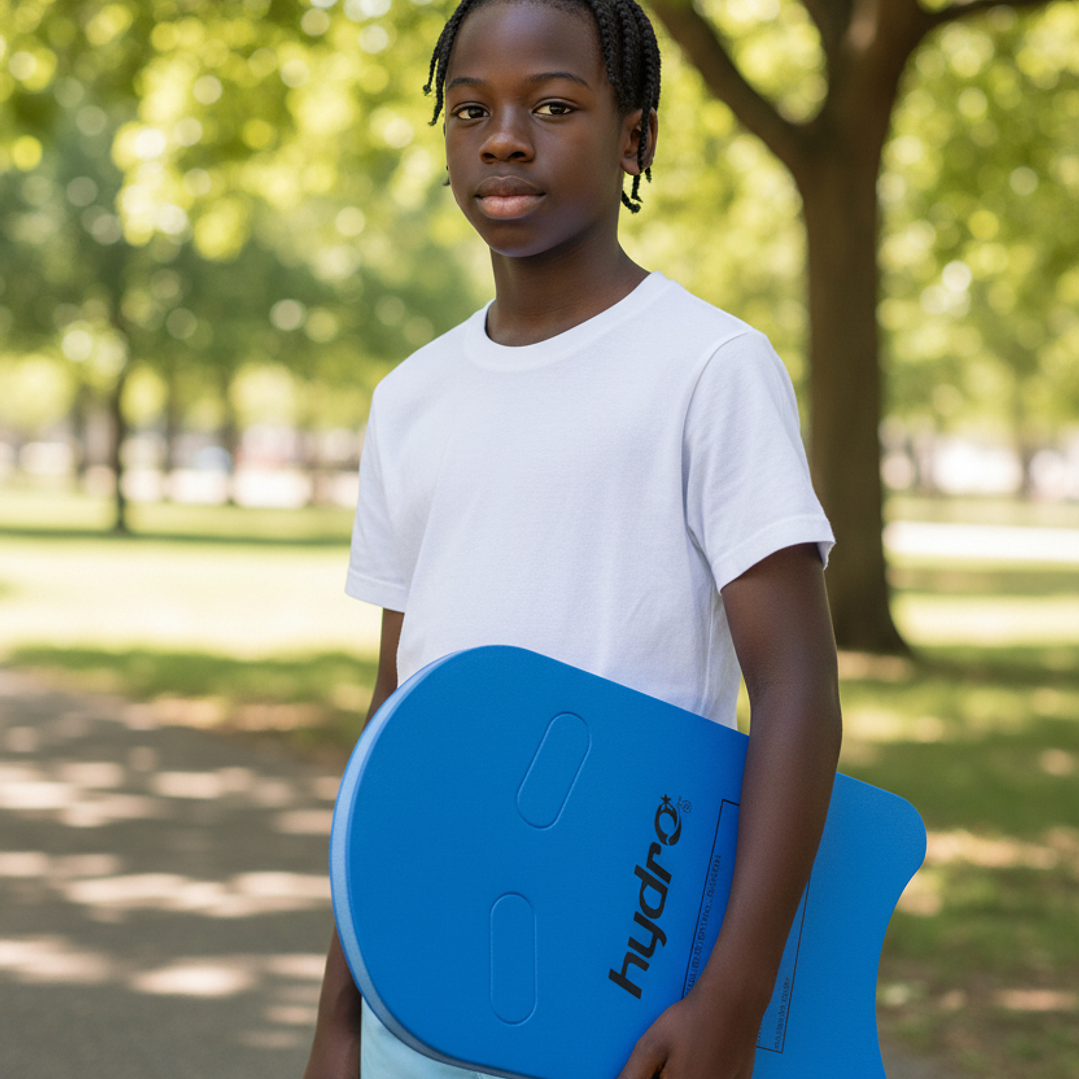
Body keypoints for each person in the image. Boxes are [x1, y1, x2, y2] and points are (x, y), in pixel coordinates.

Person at [303, 0, 842, 1076]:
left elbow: (795, 688)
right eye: (469, 110)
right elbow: (393, 721)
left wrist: (729, 999)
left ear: (633, 136)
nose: (503, 136)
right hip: (423, 982)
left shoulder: (708, 367)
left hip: (624, 986)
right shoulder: (409, 398)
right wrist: (337, 1010)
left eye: (553, 105)